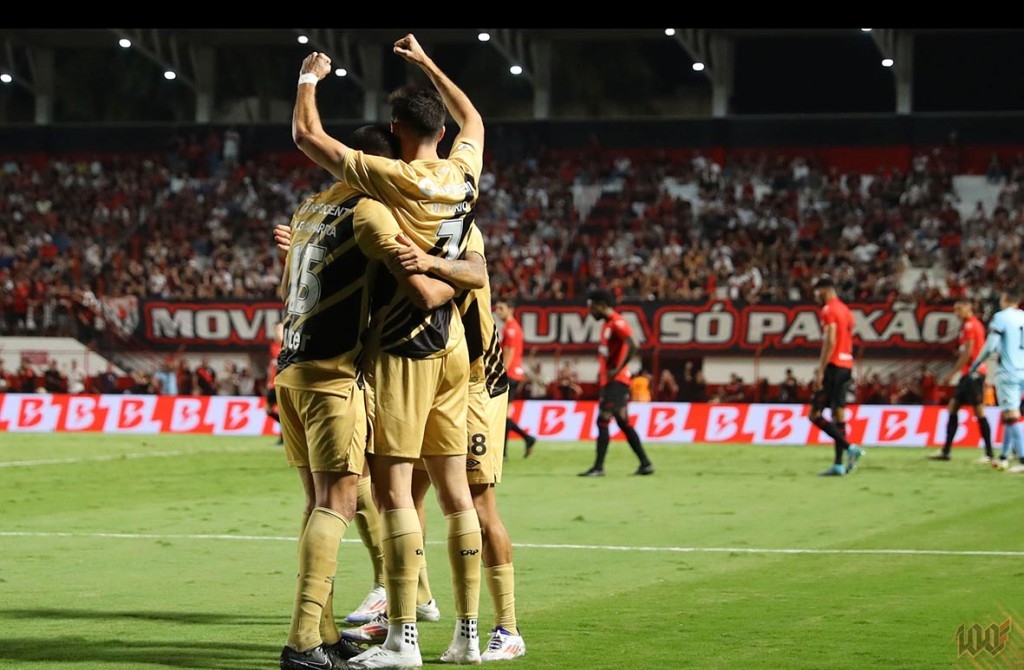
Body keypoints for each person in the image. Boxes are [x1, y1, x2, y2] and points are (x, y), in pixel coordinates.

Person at [293, 34, 488, 668]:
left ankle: (403, 636)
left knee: (393, 493)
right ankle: (469, 632)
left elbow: (310, 140)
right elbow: (475, 120)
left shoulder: (393, 182)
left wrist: (308, 79)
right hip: (455, 346)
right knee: (457, 492)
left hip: (405, 340)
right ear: (441, 129)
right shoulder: (464, 173)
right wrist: (429, 63)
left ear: (399, 129)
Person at [275, 123, 458, 670]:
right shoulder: (370, 211)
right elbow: (421, 287)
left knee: (317, 506)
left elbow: (291, 287)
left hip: (289, 372)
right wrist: (462, 273)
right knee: (340, 503)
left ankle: (325, 632)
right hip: (334, 377)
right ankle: (304, 640)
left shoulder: (309, 208)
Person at [344, 224, 528, 662]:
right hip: (435, 370)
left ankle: (507, 628)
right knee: (406, 493)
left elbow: (457, 282)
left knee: (477, 504)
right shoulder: (419, 219)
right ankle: (413, 601)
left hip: (476, 381)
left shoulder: (457, 228)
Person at [578, 288, 655, 477]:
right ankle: (645, 464)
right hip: (610, 381)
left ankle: (598, 467)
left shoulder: (617, 322)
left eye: (592, 307)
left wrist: (617, 369)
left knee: (603, 420)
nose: (590, 311)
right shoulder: (607, 325)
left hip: (617, 381)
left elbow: (633, 344)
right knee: (622, 422)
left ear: (602, 305)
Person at [808, 276, 865, 477]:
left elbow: (830, 340)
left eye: (816, 293)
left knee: (814, 415)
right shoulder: (847, 311)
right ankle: (839, 465)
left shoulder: (828, 310)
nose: (815, 297)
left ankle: (850, 448)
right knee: (838, 414)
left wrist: (821, 369)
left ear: (823, 290)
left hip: (833, 366)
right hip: (846, 364)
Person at [929, 299, 994, 462]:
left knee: (979, 412)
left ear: (968, 308)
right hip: (969, 374)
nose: (956, 313)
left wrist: (952, 373)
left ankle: (989, 453)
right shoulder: (970, 325)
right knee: (953, 408)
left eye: (959, 310)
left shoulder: (970, 325)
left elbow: (968, 353)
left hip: (974, 374)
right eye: (955, 310)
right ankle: (946, 451)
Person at [967, 288, 1024, 472]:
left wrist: (976, 364)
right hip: (1022, 370)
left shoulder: (1001, 317)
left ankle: (1023, 461)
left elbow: (991, 345)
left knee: (1012, 415)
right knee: (1009, 414)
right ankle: (1004, 457)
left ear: (1005, 299)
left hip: (1009, 372)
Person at [494, 298, 537, 458]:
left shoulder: (511, 329)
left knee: (503, 414)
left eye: (501, 308)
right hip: (515, 373)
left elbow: (509, 352)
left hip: (510, 374)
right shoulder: (513, 327)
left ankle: (504, 451)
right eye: (497, 308)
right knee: (506, 414)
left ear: (511, 309)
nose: (498, 311)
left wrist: (501, 372)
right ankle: (526, 439)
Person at [267, 321, 284, 445]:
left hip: (282, 383)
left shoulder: (287, 346)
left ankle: (284, 438)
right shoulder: (273, 346)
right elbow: (271, 365)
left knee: (283, 411)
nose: (277, 332)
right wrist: (268, 380)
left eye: (279, 329)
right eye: (276, 330)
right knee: (268, 410)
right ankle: (286, 431)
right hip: (272, 383)